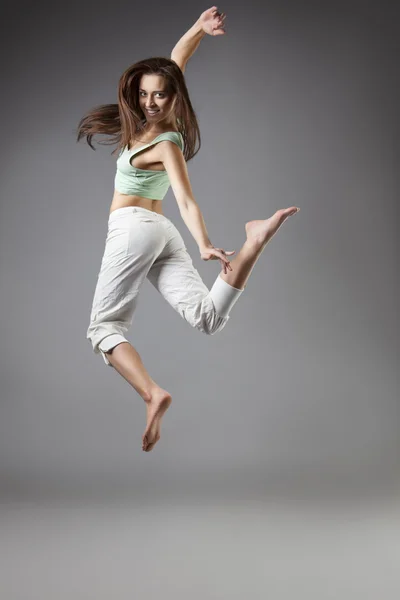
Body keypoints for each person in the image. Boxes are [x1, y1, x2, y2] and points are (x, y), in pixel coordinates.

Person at [77, 7, 300, 453]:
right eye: (145, 95)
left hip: (133, 229)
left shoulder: (163, 142)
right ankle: (254, 240)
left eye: (159, 96)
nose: (150, 102)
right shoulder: (161, 125)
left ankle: (151, 393)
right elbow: (177, 59)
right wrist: (198, 29)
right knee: (208, 319)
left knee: (103, 326)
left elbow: (185, 198)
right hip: (159, 232)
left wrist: (203, 243)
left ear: (175, 99)